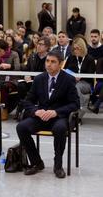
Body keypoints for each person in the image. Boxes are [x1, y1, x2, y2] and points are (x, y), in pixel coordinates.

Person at [17, 50, 80, 179]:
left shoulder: (68, 79)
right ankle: (36, 162)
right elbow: (27, 101)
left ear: (61, 64)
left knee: (60, 128)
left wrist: (56, 112)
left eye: (53, 62)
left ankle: (58, 165)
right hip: (41, 116)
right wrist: (36, 111)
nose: (49, 64)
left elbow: (75, 104)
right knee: (21, 127)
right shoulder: (39, 78)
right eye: (47, 61)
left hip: (59, 117)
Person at [64, 37, 96, 118]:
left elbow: (91, 75)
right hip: (72, 81)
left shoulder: (90, 59)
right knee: (69, 87)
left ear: (82, 48)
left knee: (76, 87)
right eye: (74, 49)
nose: (75, 51)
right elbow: (65, 70)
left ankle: (79, 111)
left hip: (86, 83)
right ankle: (69, 111)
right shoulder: (71, 57)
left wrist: (80, 77)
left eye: (78, 48)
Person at [0, 39, 20, 120]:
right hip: (0, 79)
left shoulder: (14, 54)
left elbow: (18, 68)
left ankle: (4, 110)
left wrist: (9, 66)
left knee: (3, 86)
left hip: (12, 79)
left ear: (5, 49)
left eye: (0, 51)